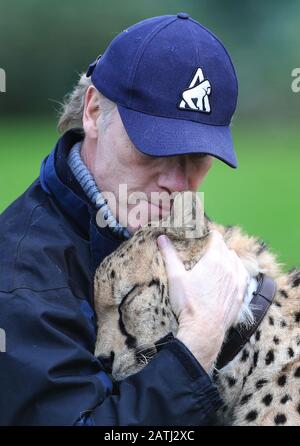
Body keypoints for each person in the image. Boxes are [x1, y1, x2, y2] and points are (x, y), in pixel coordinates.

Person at [0, 13, 249, 426]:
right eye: (155, 147)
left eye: (197, 156)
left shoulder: (152, 215)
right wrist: (199, 342)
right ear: (95, 112)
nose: (177, 184)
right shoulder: (19, 281)